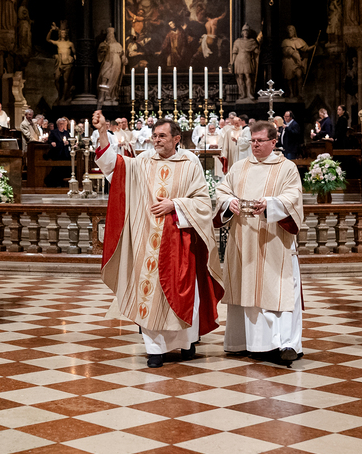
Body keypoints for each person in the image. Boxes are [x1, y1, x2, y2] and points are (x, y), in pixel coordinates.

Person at [92, 112, 223, 368]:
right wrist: (102, 132)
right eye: (154, 136)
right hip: (147, 239)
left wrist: (175, 205)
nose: (156, 140)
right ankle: (155, 350)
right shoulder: (143, 161)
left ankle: (186, 343)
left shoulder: (190, 162)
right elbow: (114, 167)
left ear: (176, 139)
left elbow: (202, 202)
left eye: (162, 136)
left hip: (180, 240)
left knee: (183, 292)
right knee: (149, 295)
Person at [215, 121, 304, 364]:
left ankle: (283, 344)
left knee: (277, 290)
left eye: (260, 141)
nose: (255, 145)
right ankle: (245, 342)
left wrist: (270, 204)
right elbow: (222, 190)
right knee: (245, 288)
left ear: (273, 142)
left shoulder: (286, 168)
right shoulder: (240, 167)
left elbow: (293, 196)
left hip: (273, 239)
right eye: (252, 141)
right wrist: (229, 203)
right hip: (243, 239)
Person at [46, 117, 71, 187]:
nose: (61, 125)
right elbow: (50, 140)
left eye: (62, 124)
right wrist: (52, 142)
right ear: (57, 124)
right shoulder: (53, 132)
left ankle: (63, 183)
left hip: (65, 153)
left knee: (64, 169)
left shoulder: (66, 132)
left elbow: (70, 141)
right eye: (60, 124)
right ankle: (56, 183)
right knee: (57, 168)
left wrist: (67, 142)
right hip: (57, 153)